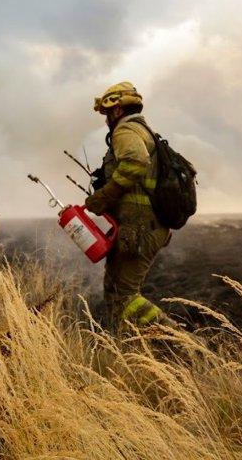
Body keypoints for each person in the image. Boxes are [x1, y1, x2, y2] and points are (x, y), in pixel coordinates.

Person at [85, 82, 173, 330]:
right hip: (143, 226)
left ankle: (181, 345)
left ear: (117, 109)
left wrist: (104, 196)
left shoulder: (125, 132)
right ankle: (131, 349)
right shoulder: (145, 131)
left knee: (124, 296)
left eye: (107, 113)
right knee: (115, 293)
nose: (106, 120)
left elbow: (135, 162)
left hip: (139, 228)